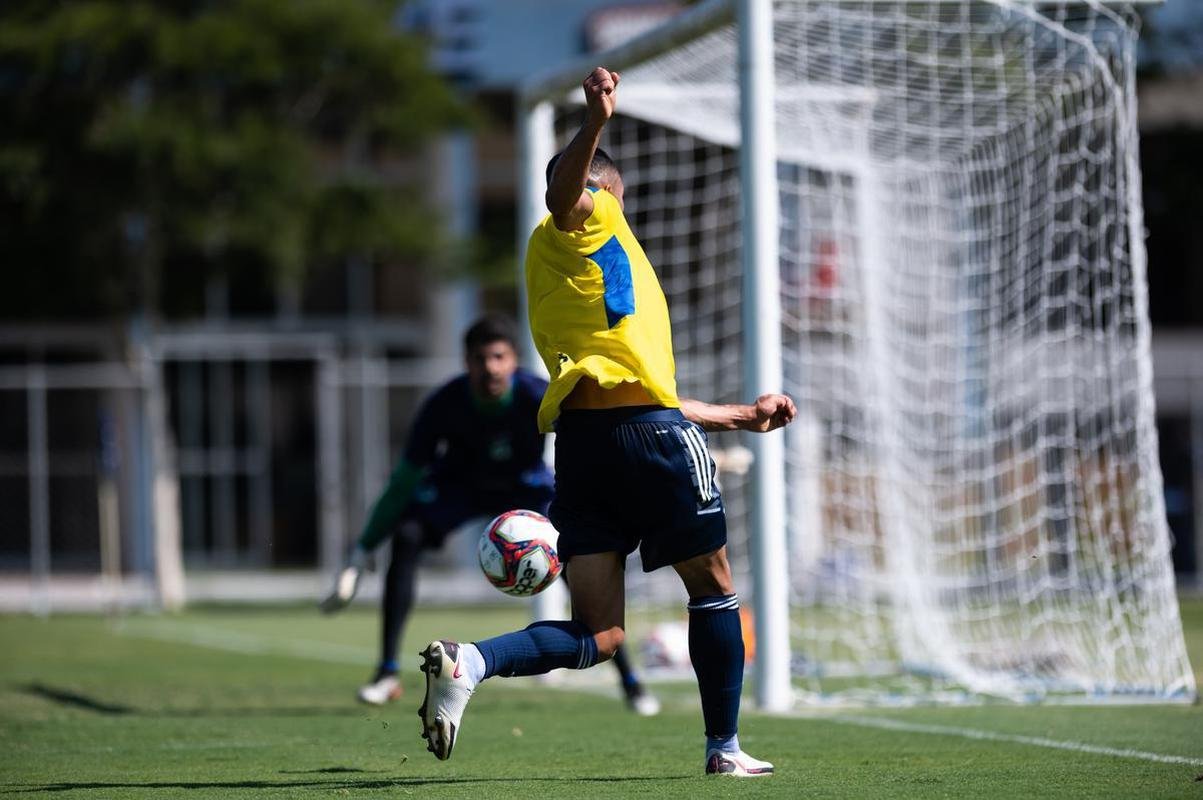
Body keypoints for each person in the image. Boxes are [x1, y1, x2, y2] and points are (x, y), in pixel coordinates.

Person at [416, 68, 796, 776]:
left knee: (602, 633)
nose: (590, 199)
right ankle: (724, 749)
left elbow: (629, 385)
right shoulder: (580, 223)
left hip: (588, 447)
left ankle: (470, 662)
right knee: (712, 586)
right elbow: (564, 193)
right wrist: (594, 124)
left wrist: (736, 416)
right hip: (646, 442)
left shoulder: (579, 273)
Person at [320, 314, 660, 716]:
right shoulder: (443, 405)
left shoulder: (538, 395)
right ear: (467, 362)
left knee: (576, 553)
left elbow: (596, 444)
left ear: (514, 359)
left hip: (526, 490)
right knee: (408, 535)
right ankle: (387, 672)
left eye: (499, 357)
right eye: (481, 358)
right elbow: (403, 481)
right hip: (461, 489)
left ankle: (630, 680)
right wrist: (362, 552)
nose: (490, 367)